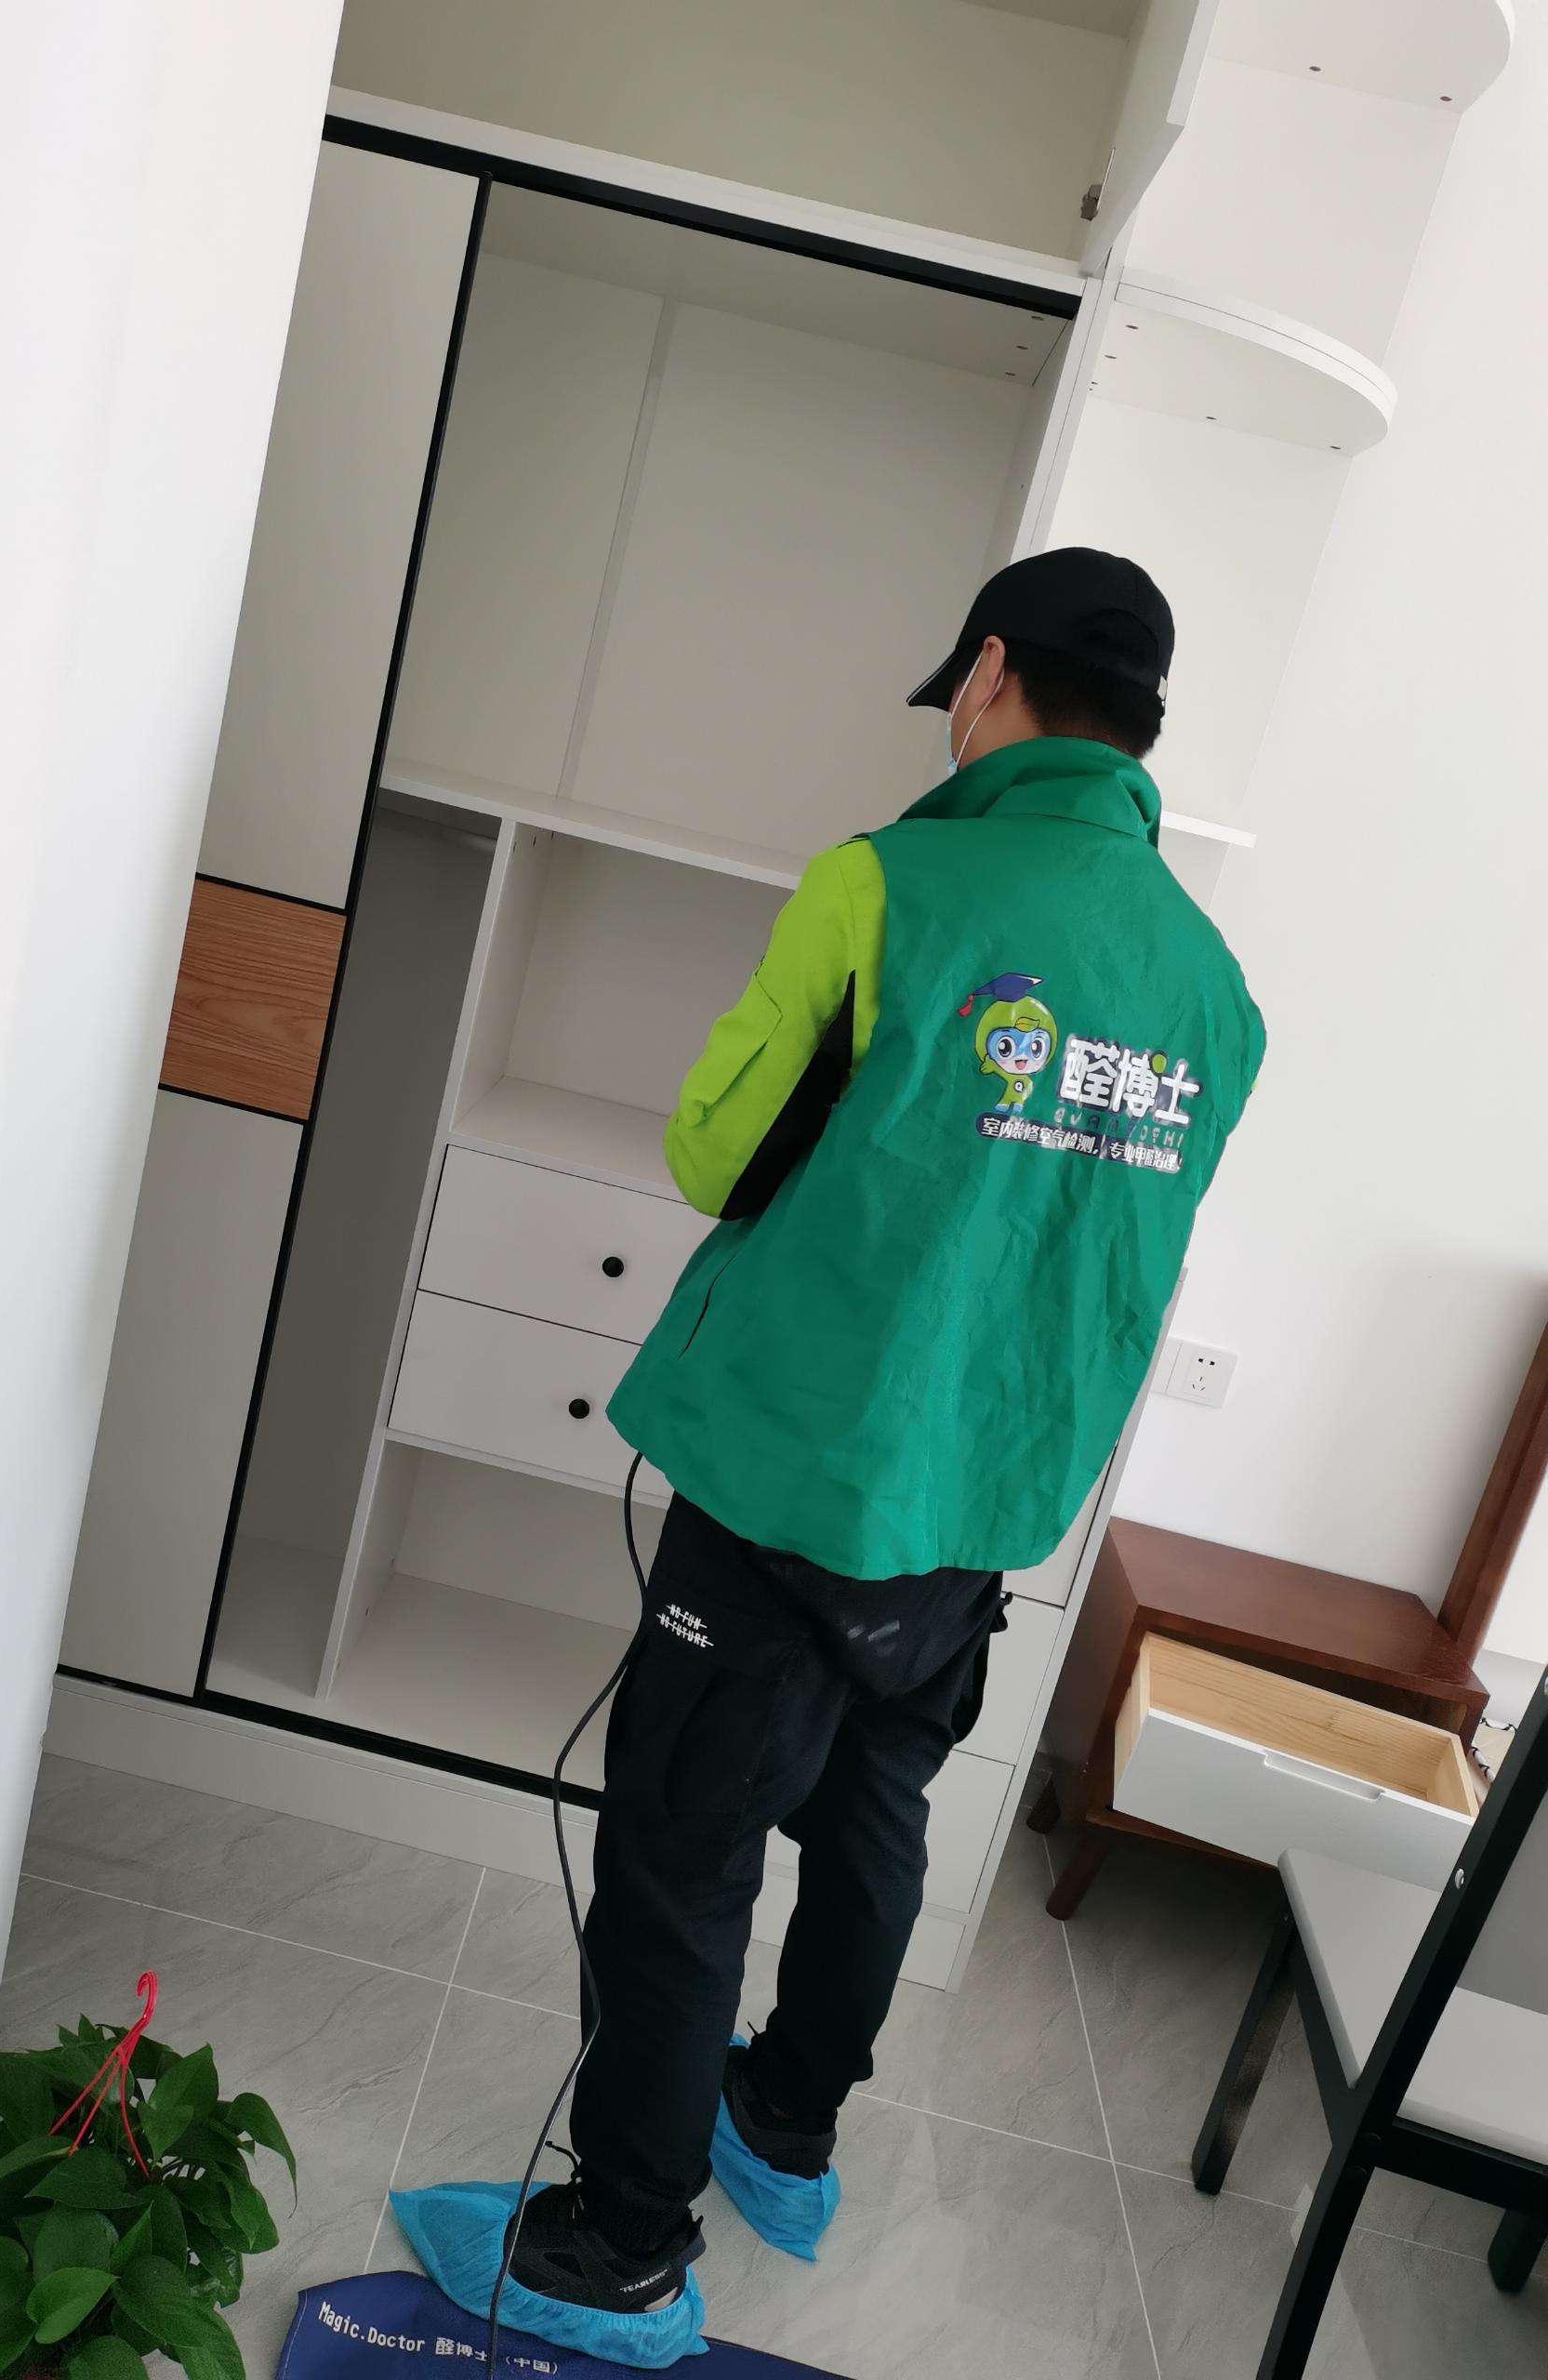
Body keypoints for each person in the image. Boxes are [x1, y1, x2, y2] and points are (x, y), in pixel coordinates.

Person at [506, 547, 1265, 2348]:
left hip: (801, 1475)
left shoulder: (886, 884)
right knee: (872, 1811)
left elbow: (712, 1151)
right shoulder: (1213, 990)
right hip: (984, 1507)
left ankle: (625, 2239)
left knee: (683, 1852)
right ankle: (786, 2130)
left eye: (960, 687)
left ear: (989, 673)